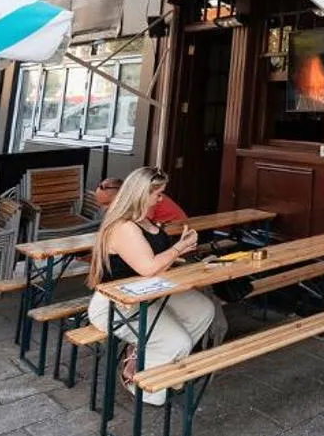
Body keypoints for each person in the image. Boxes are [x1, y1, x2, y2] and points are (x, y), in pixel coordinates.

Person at [85, 167, 224, 406]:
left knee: (203, 309)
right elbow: (148, 268)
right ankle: (144, 387)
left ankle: (151, 359)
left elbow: (157, 266)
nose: (161, 199)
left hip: (152, 292)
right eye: (158, 194)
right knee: (176, 341)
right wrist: (179, 249)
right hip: (117, 302)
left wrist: (179, 249)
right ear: (141, 194)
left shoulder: (147, 221)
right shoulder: (124, 227)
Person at [93, 174, 186, 225]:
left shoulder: (147, 200)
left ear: (121, 197)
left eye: (106, 204)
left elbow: (141, 224)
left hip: (176, 231)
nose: (103, 209)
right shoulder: (132, 196)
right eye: (100, 204)